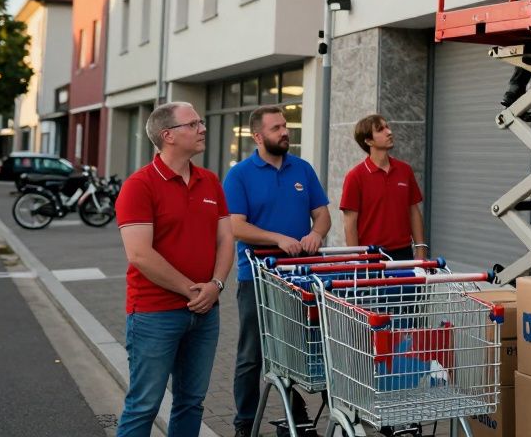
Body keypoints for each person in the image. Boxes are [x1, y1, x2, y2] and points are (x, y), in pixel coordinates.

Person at [114, 102, 233, 437]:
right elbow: (139, 254)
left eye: (201, 122)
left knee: (191, 402)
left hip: (205, 312)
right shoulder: (140, 185)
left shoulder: (210, 181)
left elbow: (226, 239)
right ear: (168, 135)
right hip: (155, 314)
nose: (202, 128)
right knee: (144, 405)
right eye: (193, 124)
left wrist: (216, 285)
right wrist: (194, 291)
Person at [225, 106, 331, 437]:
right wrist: (278, 239)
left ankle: (296, 416)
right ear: (258, 136)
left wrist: (316, 234)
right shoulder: (240, 175)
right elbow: (236, 227)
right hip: (257, 278)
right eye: (276, 128)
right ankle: (244, 424)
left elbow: (322, 215)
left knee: (301, 350)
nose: (285, 132)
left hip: (301, 277)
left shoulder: (302, 168)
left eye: (285, 125)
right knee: (252, 355)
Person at [340, 114, 427, 260]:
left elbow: (414, 212)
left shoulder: (405, 170)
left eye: (387, 127)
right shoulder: (355, 177)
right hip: (371, 255)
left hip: (404, 253)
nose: (389, 132)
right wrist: (356, 260)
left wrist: (421, 249)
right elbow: (350, 224)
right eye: (380, 130)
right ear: (368, 141)